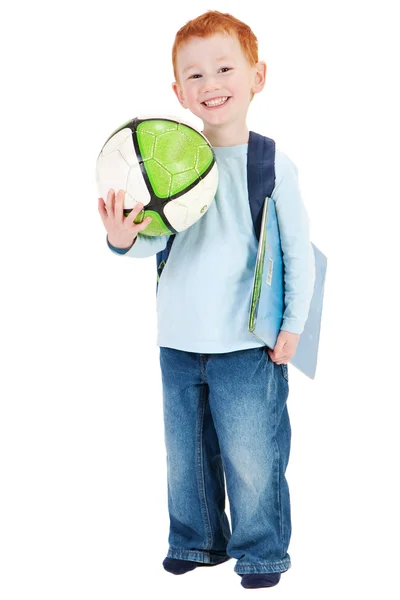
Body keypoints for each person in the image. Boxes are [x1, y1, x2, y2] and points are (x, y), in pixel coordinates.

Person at [98, 10, 315, 590]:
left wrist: (293, 325)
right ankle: (194, 541)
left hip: (248, 345)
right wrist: (123, 238)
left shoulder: (272, 165)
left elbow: (296, 253)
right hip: (177, 340)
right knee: (186, 458)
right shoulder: (167, 161)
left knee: (253, 458)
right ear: (177, 92)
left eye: (224, 68)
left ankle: (261, 551)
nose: (210, 84)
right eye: (193, 76)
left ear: (257, 77)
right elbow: (151, 239)